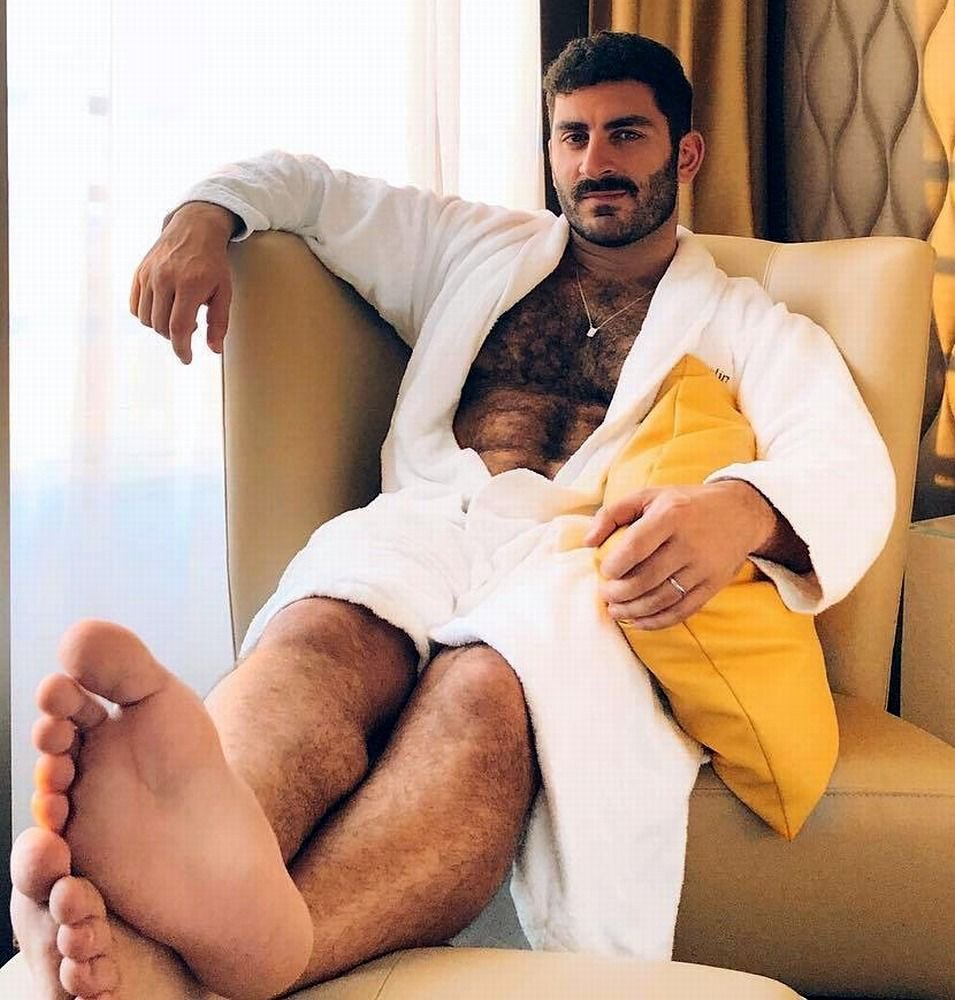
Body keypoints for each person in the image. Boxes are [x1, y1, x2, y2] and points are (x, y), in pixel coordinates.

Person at [10, 31, 894, 1000]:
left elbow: (840, 461)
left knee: (487, 690)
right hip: (427, 522)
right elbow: (306, 187)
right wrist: (201, 215)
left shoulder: (748, 322)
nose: (595, 161)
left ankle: (233, 954)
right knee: (318, 633)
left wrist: (739, 509)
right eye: (573, 136)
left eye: (626, 133)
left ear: (684, 153)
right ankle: (182, 881)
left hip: (573, 563)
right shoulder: (473, 247)